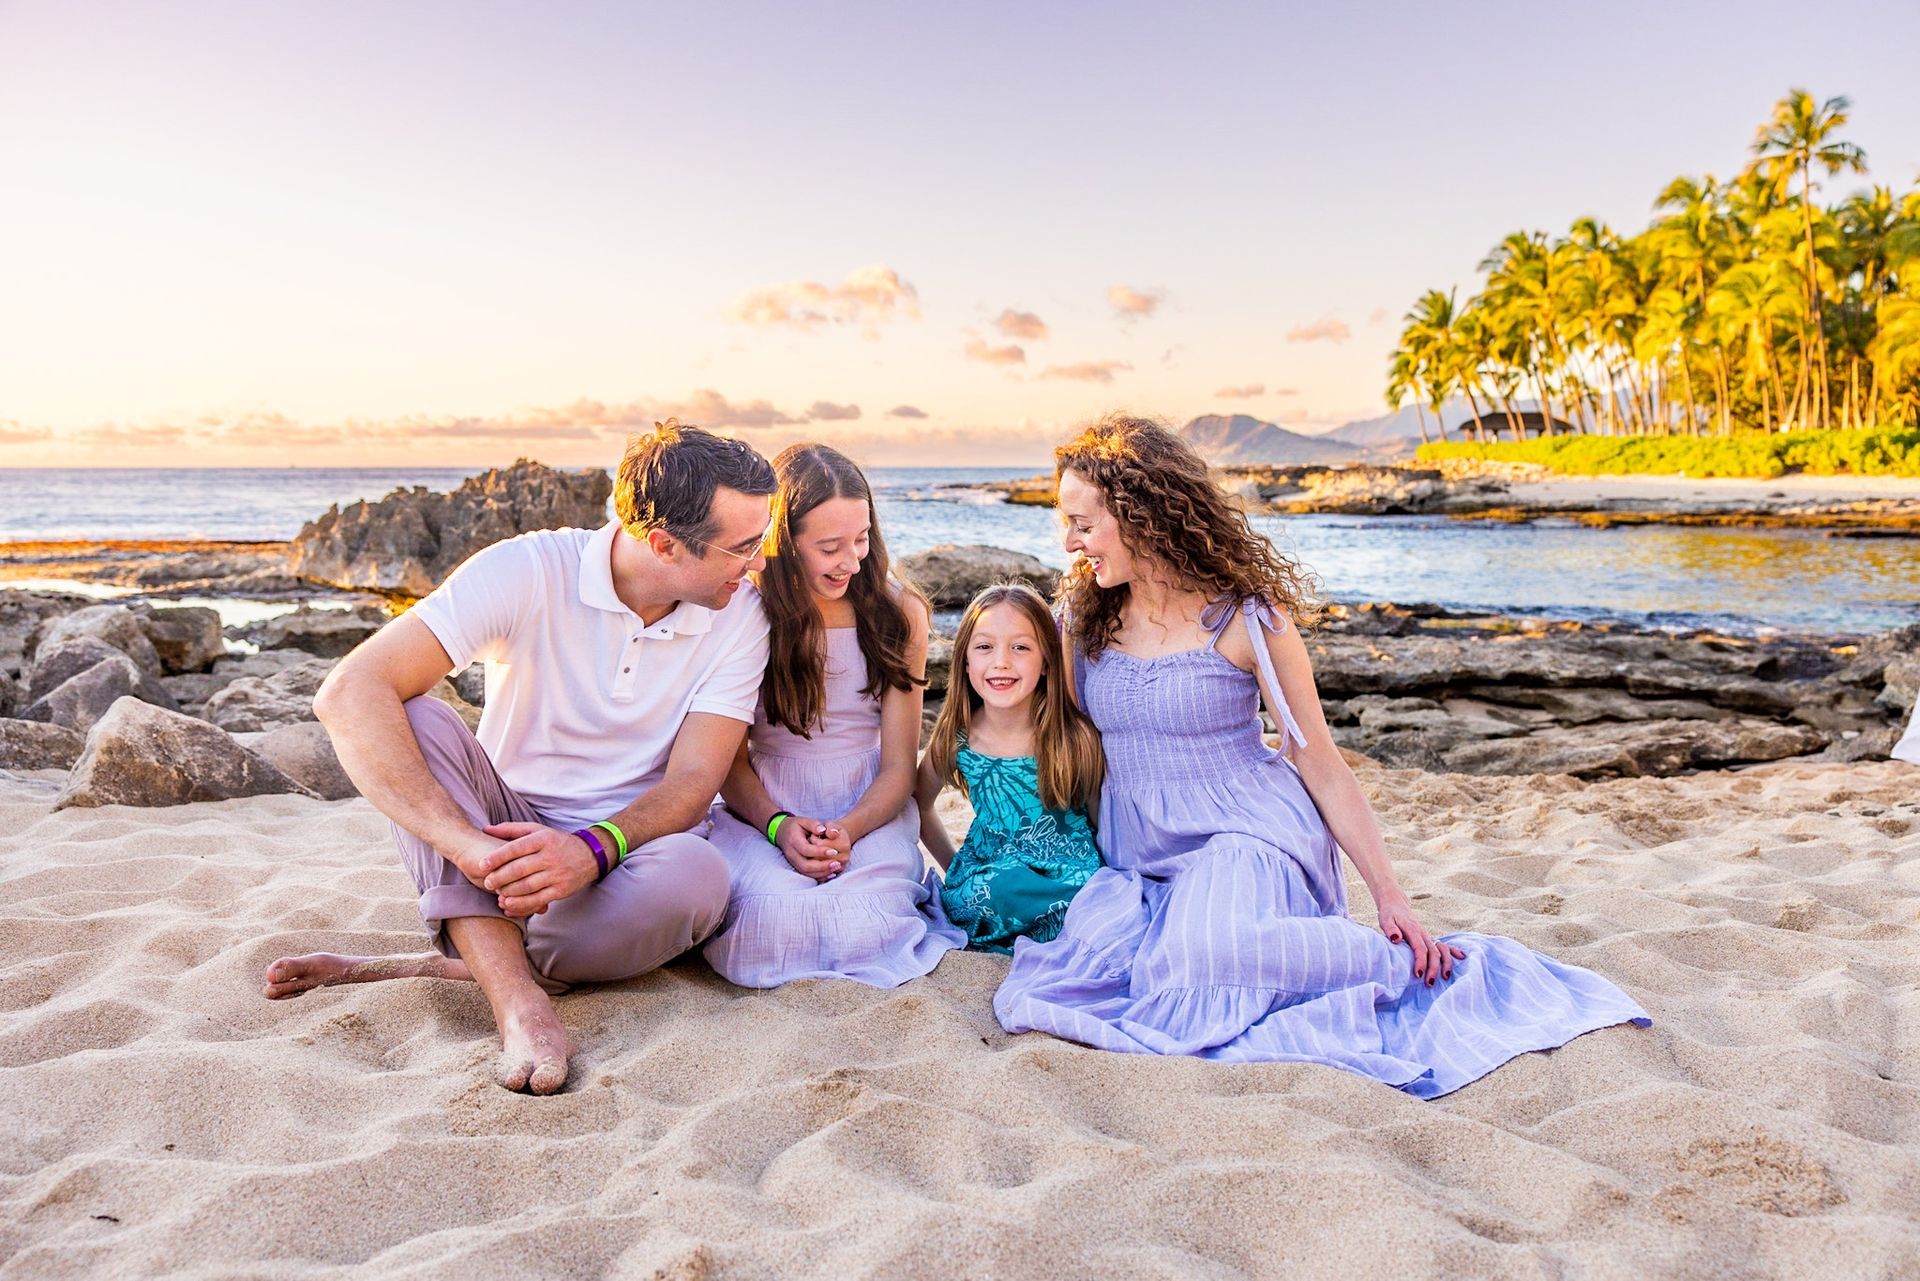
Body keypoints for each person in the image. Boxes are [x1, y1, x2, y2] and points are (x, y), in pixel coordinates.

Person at [993, 414, 1649, 1098]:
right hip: (1136, 849)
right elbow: (1052, 736)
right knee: (1111, 962)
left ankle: (1398, 966)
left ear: (1140, 512)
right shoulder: (1082, 617)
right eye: (1064, 523)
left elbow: (1322, 763)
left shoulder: (1247, 619)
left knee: (1204, 953)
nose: (1069, 542)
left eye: (1082, 522)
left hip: (1245, 835)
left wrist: (1390, 897)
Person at [262, 421, 777, 1095]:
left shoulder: (739, 612)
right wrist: (468, 848)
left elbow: (692, 781)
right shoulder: (530, 568)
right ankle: (518, 1002)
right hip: (499, 841)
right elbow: (347, 692)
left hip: (626, 852)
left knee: (700, 875)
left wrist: (592, 848)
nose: (759, 562)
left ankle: (460, 958)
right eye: (744, 546)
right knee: (413, 716)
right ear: (664, 544)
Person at [701, 443, 964, 986]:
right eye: (829, 547)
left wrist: (847, 829)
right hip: (766, 803)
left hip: (869, 804)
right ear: (785, 542)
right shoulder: (743, 612)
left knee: (863, 924)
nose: (852, 560)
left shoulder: (899, 614)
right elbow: (728, 761)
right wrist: (778, 827)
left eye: (862, 539)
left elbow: (898, 767)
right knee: (772, 918)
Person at [916, 583, 1105, 953]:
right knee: (998, 888)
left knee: (1092, 892)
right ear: (966, 661)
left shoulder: (1074, 736)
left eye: (1020, 647)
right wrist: (953, 866)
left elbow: (1101, 822)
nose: (1001, 661)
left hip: (1067, 872)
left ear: (1047, 661)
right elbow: (919, 805)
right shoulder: (958, 738)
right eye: (985, 647)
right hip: (994, 876)